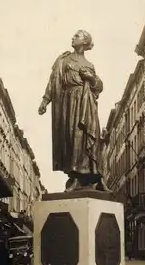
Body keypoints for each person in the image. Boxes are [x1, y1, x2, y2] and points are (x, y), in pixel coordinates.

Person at [38, 29, 110, 192]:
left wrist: (91, 78)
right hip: (68, 102)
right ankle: (76, 176)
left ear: (85, 42)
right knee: (72, 139)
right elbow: (53, 81)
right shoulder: (63, 59)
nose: (73, 37)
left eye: (76, 36)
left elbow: (98, 87)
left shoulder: (90, 65)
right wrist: (45, 100)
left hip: (86, 103)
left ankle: (95, 177)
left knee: (87, 138)